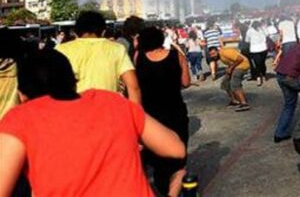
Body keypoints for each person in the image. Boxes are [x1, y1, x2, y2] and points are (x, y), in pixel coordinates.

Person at [0, 50, 185, 197]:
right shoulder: (113, 102)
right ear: (73, 82)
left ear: (22, 94)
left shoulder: (20, 119)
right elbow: (175, 148)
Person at [136, 27, 191, 196]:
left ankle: (163, 188)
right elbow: (186, 82)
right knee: (177, 160)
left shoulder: (139, 58)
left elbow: (135, 86)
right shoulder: (177, 56)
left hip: (151, 117)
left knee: (157, 161)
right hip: (175, 112)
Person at [56, 10, 141, 104]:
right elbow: (133, 87)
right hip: (109, 112)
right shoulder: (117, 49)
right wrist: (134, 115)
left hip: (73, 113)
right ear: (103, 31)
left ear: (76, 31)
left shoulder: (61, 50)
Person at [207, 46, 252, 112]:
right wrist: (229, 68)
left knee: (235, 84)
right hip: (236, 66)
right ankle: (235, 100)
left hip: (242, 65)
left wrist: (231, 68)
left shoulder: (225, 52)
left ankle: (244, 103)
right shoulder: (221, 57)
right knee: (225, 83)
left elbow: (240, 59)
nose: (212, 56)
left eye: (213, 53)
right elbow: (231, 62)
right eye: (210, 54)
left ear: (218, 51)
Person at [246, 21, 269, 87]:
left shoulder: (249, 30)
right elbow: (267, 35)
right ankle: (263, 75)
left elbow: (247, 40)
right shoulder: (262, 29)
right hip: (263, 48)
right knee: (262, 63)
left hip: (254, 49)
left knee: (257, 64)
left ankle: (259, 77)